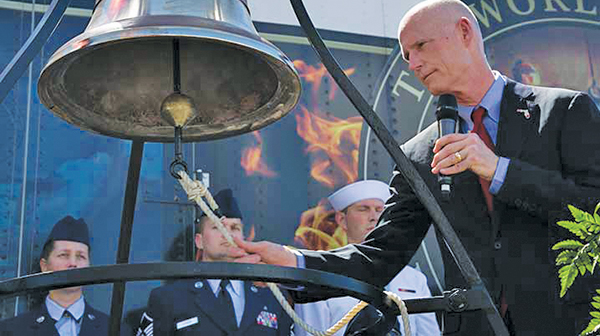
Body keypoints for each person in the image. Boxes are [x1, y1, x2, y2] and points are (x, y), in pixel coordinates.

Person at [232, 0, 600, 336]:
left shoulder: (564, 112)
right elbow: (378, 257)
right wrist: (292, 263)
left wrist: (499, 169)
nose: (413, 64)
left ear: (464, 31)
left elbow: (594, 208)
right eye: (406, 55)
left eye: (421, 46)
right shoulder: (418, 153)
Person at [136, 188, 292, 335]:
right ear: (199, 241)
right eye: (217, 227)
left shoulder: (273, 297)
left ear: (244, 238)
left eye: (235, 228)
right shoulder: (169, 299)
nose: (227, 234)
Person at [294, 180, 440, 336]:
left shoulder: (414, 279)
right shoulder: (321, 274)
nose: (373, 217)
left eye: (379, 210)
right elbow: (309, 332)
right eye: (363, 209)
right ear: (342, 220)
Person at [0, 215, 110, 335]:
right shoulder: (11, 331)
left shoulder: (114, 329)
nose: (73, 263)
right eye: (63, 255)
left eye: (81, 256)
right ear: (44, 266)